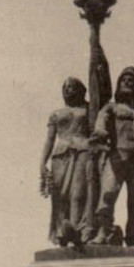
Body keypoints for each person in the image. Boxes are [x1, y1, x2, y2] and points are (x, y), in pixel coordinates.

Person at [90, 67, 134, 247]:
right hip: (117, 156)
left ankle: (132, 239)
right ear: (119, 84)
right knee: (107, 194)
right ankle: (103, 232)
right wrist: (100, 133)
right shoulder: (111, 108)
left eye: (132, 81)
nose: (128, 83)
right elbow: (100, 125)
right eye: (125, 79)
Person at [39, 77, 95, 247]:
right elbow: (49, 139)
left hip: (83, 151)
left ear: (81, 90)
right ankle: (62, 233)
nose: (68, 90)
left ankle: (77, 230)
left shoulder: (89, 110)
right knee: (60, 196)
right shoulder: (56, 114)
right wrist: (43, 162)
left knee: (78, 194)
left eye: (73, 87)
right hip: (60, 155)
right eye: (66, 87)